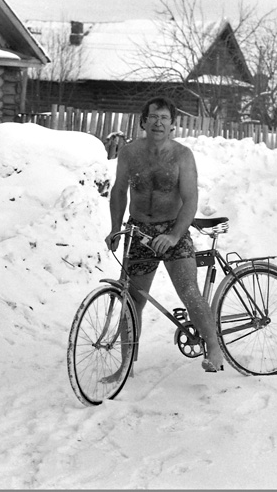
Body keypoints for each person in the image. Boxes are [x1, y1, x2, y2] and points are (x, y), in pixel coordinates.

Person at [105, 96, 224, 373]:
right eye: (153, 117)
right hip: (139, 232)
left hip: (173, 230)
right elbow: (119, 191)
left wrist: (172, 236)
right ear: (143, 121)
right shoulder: (130, 153)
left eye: (164, 118)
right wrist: (115, 228)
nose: (158, 123)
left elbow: (191, 200)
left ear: (173, 124)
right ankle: (125, 367)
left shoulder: (182, 155)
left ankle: (215, 349)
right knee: (132, 301)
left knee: (189, 292)